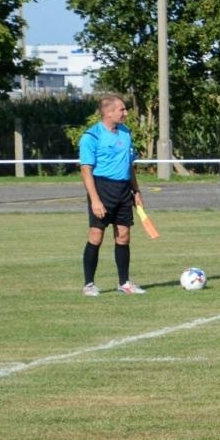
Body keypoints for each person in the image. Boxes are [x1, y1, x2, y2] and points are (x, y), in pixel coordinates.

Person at [78, 93, 145, 296]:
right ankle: (89, 284)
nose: (125, 113)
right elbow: (86, 170)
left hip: (123, 189)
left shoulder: (125, 132)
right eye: (122, 109)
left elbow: (129, 165)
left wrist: (136, 191)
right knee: (96, 236)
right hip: (102, 189)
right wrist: (95, 200)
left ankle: (124, 283)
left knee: (123, 236)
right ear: (108, 112)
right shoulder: (91, 136)